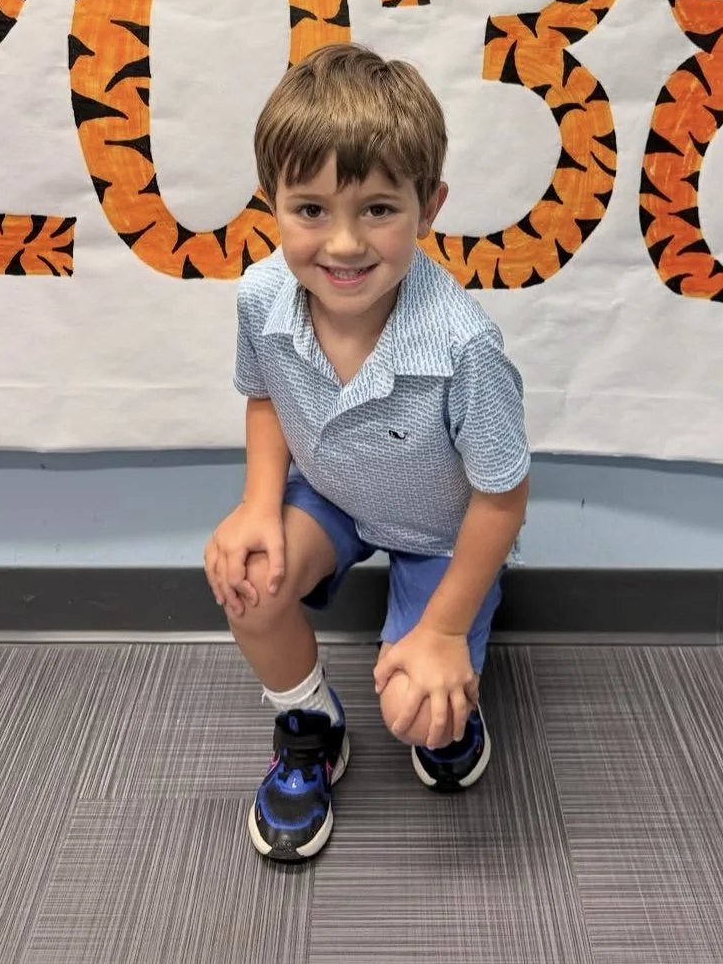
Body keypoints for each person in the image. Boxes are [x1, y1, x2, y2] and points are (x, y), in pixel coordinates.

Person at [203, 42, 530, 861]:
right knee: (247, 576)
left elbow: (502, 496)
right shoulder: (261, 296)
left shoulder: (466, 346)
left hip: (444, 527)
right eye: (310, 209)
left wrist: (446, 631)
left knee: (419, 697)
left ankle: (449, 693)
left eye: (378, 208)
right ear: (271, 201)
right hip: (335, 495)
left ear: (430, 204)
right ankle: (309, 720)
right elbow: (269, 393)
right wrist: (257, 503)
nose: (343, 243)